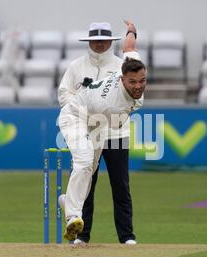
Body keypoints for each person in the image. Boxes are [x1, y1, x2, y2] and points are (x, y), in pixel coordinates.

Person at [58, 20, 146, 243]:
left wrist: (131, 31)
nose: (138, 85)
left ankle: (68, 202)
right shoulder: (124, 74)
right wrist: (131, 31)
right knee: (85, 162)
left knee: (103, 177)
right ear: (123, 77)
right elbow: (129, 49)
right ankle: (73, 216)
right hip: (75, 118)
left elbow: (128, 48)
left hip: (103, 126)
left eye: (141, 82)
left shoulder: (127, 72)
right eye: (133, 81)